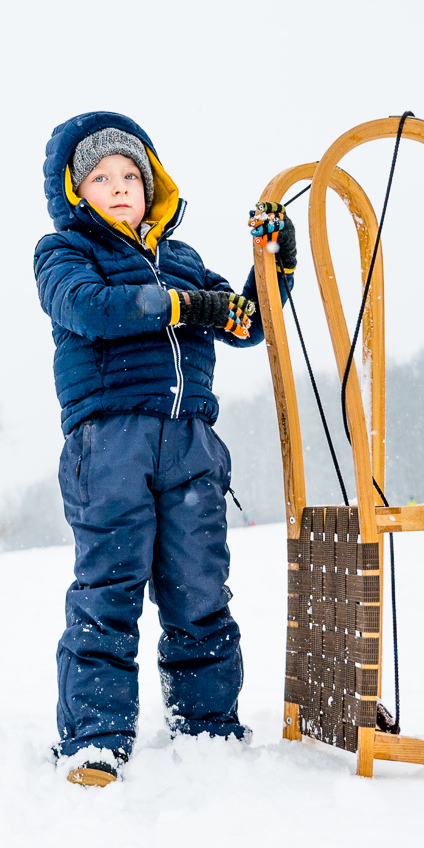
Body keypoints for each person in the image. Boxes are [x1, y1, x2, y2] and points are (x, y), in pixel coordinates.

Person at [34, 112, 292, 788]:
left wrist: (274, 264)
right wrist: (181, 308)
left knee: (198, 586)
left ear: (152, 186)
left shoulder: (180, 259)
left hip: (189, 443)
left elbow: (244, 321)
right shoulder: (64, 253)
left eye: (130, 175)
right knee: (109, 588)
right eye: (100, 177)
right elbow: (91, 308)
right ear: (75, 189)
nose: (119, 187)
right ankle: (95, 737)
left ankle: (207, 725)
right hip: (109, 440)